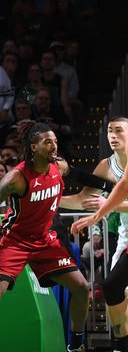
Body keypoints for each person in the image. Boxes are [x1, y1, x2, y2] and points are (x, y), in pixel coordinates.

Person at [0, 121, 90, 352]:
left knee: (82, 287)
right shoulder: (16, 178)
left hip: (44, 241)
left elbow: (83, 177)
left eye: (55, 141)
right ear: (34, 147)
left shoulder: (60, 167)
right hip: (14, 242)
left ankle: (76, 343)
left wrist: (108, 186)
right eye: (48, 142)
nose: (54, 146)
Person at [69, 117, 128, 351]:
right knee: (115, 293)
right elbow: (85, 200)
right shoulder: (108, 166)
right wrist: (49, 198)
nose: (113, 136)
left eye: (119, 131)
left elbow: (111, 202)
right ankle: (120, 344)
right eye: (109, 131)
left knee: (113, 285)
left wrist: (103, 209)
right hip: (125, 237)